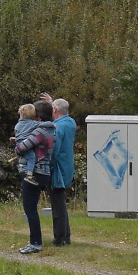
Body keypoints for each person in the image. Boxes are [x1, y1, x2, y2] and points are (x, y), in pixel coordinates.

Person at [14, 100, 56, 253]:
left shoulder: (39, 132)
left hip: (34, 172)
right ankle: (35, 241)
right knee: (31, 207)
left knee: (30, 208)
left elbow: (22, 148)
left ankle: (35, 243)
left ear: (38, 116)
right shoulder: (50, 130)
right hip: (44, 171)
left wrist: (16, 146)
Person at [48, 97, 76, 246]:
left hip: (57, 170)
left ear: (54, 110)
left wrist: (49, 167)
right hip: (67, 167)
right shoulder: (71, 122)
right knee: (61, 203)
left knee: (57, 205)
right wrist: (53, 101)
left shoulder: (57, 128)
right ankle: (66, 235)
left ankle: (60, 238)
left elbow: (54, 150)